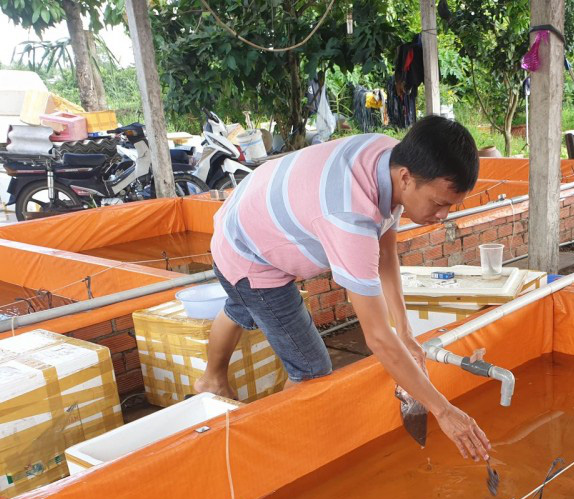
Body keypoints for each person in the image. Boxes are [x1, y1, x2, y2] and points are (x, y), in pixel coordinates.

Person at [195, 116, 491, 462]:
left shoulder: (388, 155)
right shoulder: (351, 215)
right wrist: (443, 411)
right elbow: (377, 337)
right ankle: (272, 452)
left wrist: (406, 330)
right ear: (407, 178)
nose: (442, 216)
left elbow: (386, 248)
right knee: (310, 368)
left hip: (250, 218)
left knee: (241, 305)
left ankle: (211, 381)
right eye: (439, 204)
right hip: (251, 256)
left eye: (450, 206)